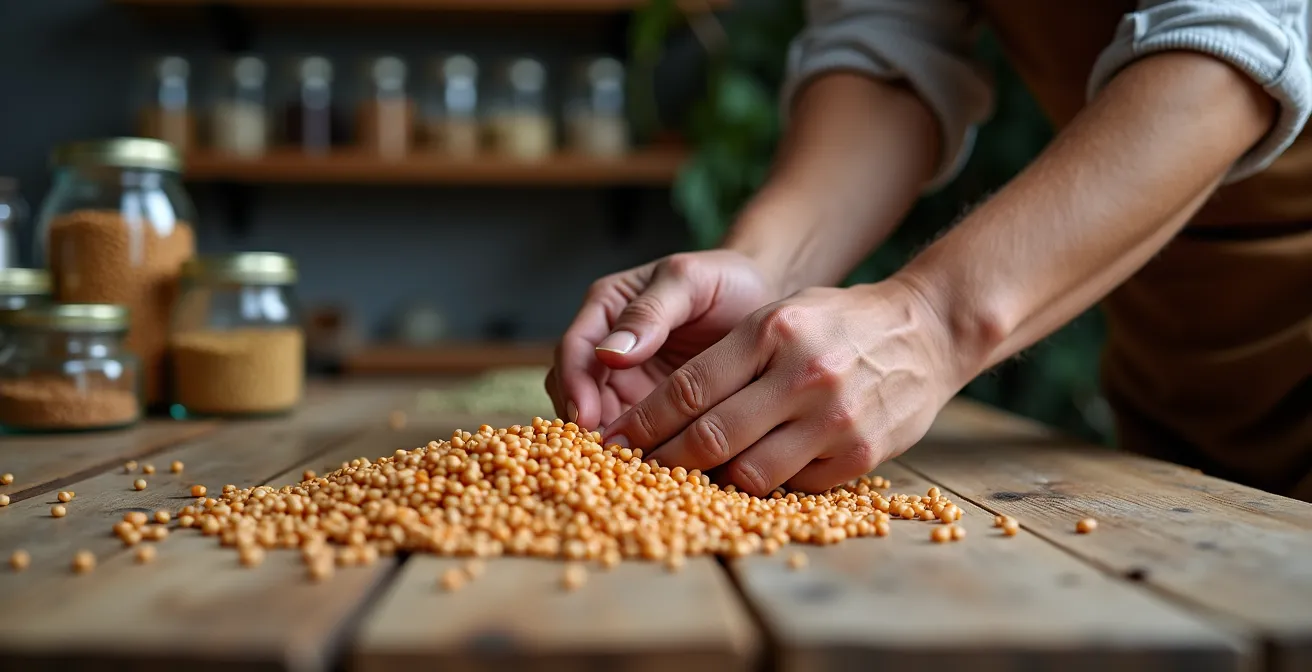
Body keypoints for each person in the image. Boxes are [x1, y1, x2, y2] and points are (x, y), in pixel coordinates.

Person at [546, 1, 1312, 502]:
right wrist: (766, 264)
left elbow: (1232, 48)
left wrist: (932, 320)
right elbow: (888, 40)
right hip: (1177, 367)